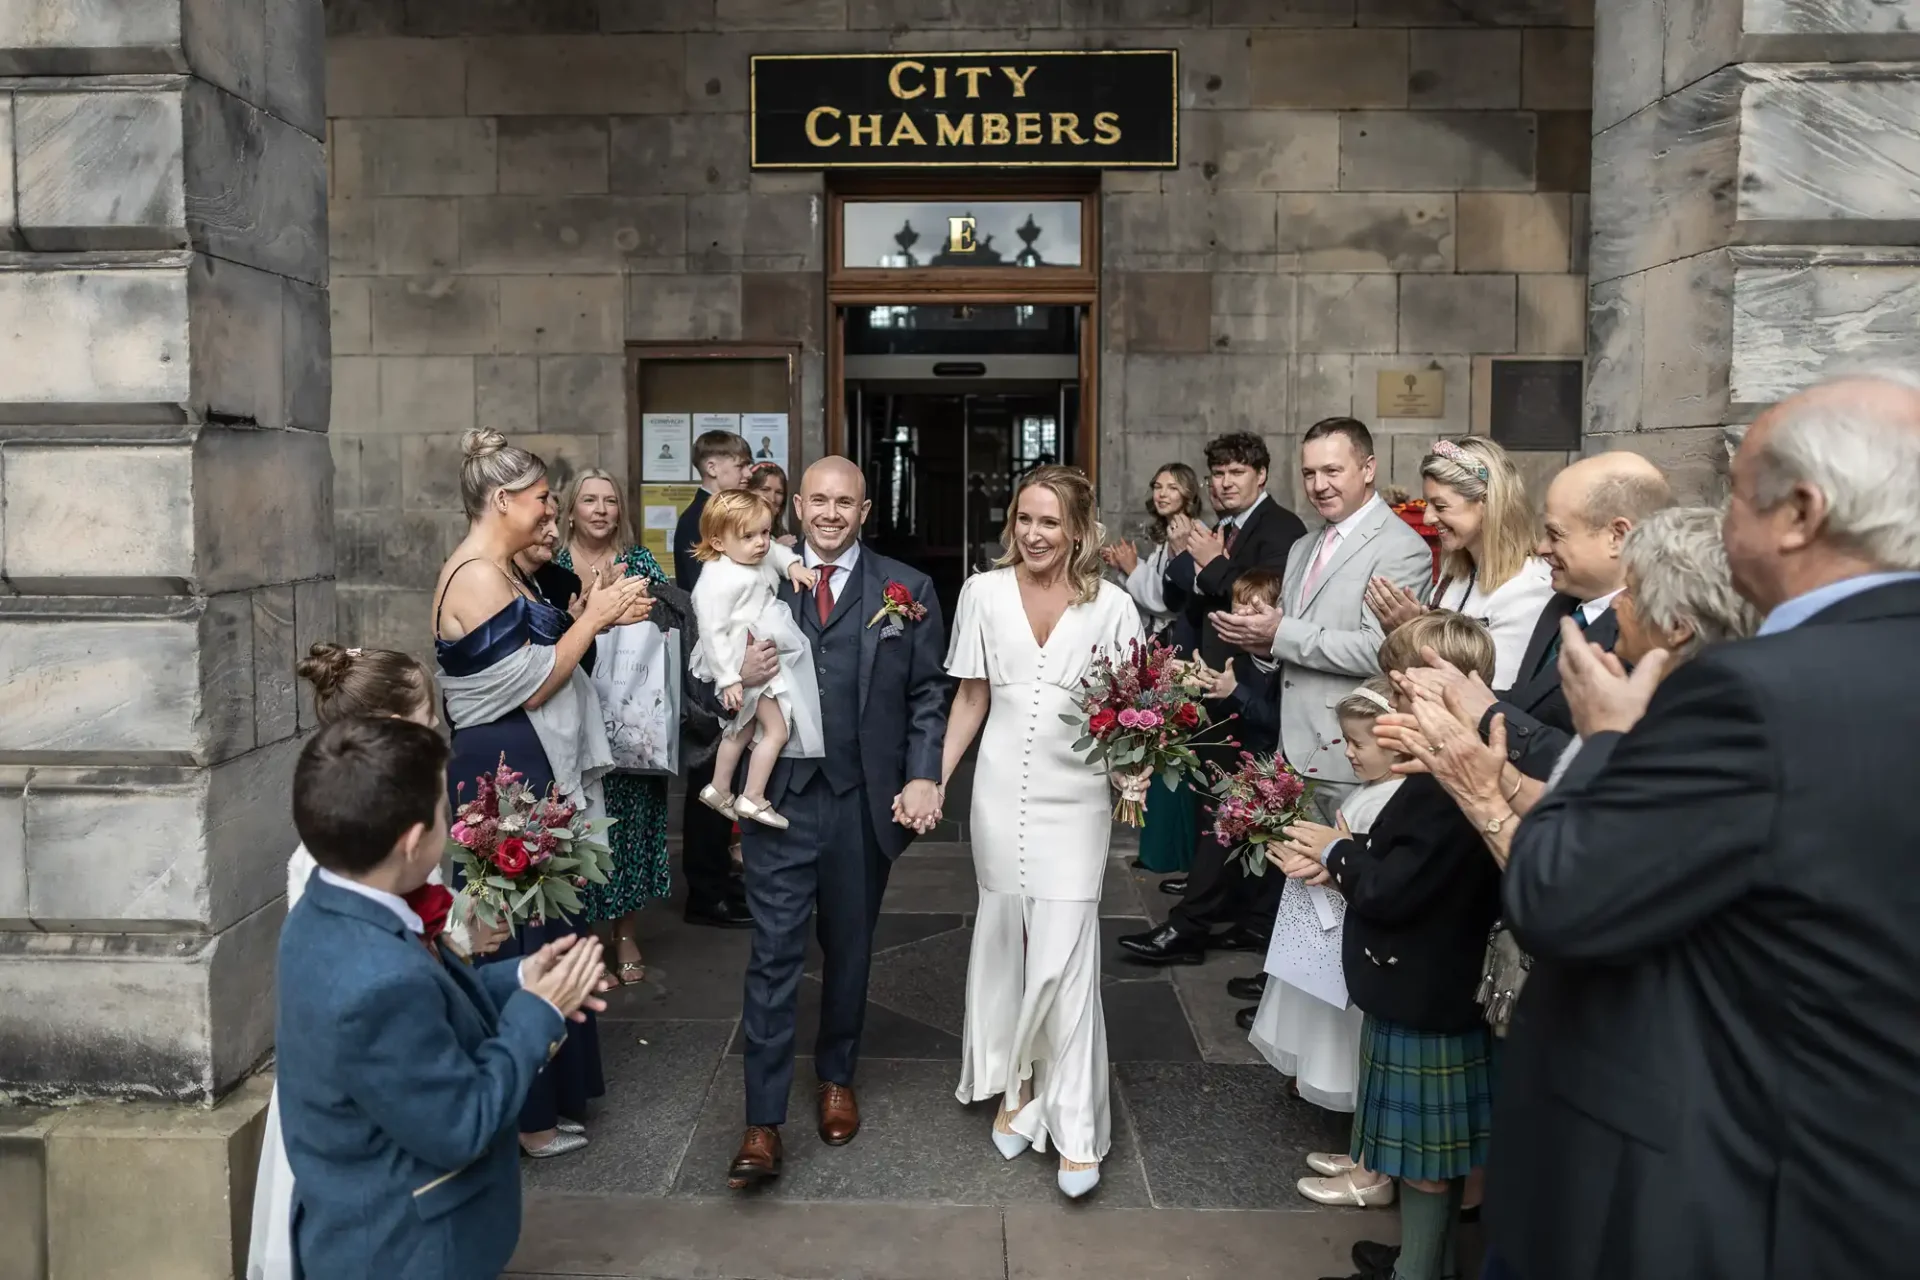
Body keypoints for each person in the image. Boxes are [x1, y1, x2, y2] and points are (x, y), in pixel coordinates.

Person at [1471, 373, 1920, 1280]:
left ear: (1799, 512)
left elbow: (1560, 895)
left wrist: (1604, 745)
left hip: (1736, 1177)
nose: (1717, 527)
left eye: (1733, 499)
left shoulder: (1757, 693)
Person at [274, 717, 609, 1280]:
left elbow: (426, 1009)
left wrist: (522, 978)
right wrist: (539, 1014)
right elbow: (461, 1124)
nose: (450, 819)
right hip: (404, 1250)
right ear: (411, 841)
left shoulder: (328, 903)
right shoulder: (376, 983)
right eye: (441, 809)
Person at [710, 457, 950, 1190]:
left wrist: (922, 771)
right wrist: (735, 687)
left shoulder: (906, 589)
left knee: (850, 948)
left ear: (865, 509)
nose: (831, 513)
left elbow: (928, 694)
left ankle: (837, 1074)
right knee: (774, 955)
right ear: (797, 506)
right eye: (818, 499)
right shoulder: (753, 570)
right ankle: (762, 1119)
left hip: (860, 800)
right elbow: (702, 680)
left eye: (845, 502)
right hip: (776, 798)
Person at [1123, 419, 1430, 966]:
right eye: (1310, 472)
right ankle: (1291, 1008)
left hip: (1350, 745)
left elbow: (1379, 651)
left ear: (1368, 468)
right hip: (1292, 737)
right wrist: (1259, 644)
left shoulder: (1400, 547)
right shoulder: (1307, 544)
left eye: (1333, 470)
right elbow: (1285, 642)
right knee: (1302, 894)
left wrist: (1277, 634)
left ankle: (1331, 1027)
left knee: (1342, 898)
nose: (1320, 484)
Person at [247, 644, 509, 1280]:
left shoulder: (383, 825)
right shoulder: (339, 861)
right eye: (426, 722)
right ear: (389, 728)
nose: (439, 732)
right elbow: (375, 967)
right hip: (361, 1101)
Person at [431, 429, 650, 1158]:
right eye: (542, 499)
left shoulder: (504, 568)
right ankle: (528, 1116)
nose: (549, 511)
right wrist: (593, 619)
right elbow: (534, 682)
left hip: (520, 761)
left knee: (550, 917)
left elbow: (540, 649)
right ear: (503, 500)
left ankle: (547, 1097)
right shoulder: (476, 576)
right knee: (523, 930)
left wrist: (595, 610)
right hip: (503, 767)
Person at [1279, 612, 1505, 1280]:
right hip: (1425, 980)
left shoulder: (1443, 781)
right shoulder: (1441, 763)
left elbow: (1396, 889)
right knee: (1421, 1159)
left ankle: (1419, 1271)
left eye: (1403, 689)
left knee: (1429, 1164)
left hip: (1429, 987)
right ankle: (1415, 1258)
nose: (1392, 699)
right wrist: (1342, 854)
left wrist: (1343, 854)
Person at [941, 465, 1144, 1200]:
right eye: (1024, 519)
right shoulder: (982, 593)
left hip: (1077, 799)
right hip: (998, 794)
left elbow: (1134, 709)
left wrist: (1137, 773)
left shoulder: (1115, 607)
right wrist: (934, 777)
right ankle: (1015, 1083)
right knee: (1004, 939)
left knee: (1066, 956)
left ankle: (1078, 1126)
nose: (1033, 534)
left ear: (1079, 530)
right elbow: (970, 696)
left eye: (1049, 522)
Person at [1407, 452, 1671, 781]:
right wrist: (1456, 694)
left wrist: (1489, 713)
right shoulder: (1562, 606)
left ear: (1617, 537)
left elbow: (1607, 764)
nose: (1543, 548)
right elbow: (1529, 704)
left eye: (1556, 534)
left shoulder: (1651, 637)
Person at [1247, 675, 1404, 1208]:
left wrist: (1327, 863)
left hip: (1371, 947)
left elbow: (1369, 874)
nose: (1348, 752)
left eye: (1359, 743)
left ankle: (1372, 1169)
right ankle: (1364, 1152)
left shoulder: (1393, 802)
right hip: (1350, 940)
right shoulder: (1372, 792)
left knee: (1368, 1054)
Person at [555, 469, 682, 984]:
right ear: (571, 509)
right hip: (572, 711)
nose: (602, 509)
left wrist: (617, 612)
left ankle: (625, 931)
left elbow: (659, 618)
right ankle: (583, 940)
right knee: (579, 825)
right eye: (590, 500)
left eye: (610, 501)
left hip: (631, 716)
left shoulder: (640, 561)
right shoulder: (554, 565)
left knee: (628, 827)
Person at [1364, 438, 1554, 688]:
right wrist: (1415, 628)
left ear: (1487, 503)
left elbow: (1489, 696)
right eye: (1427, 503)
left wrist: (1411, 633)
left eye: (1440, 506)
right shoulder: (1456, 574)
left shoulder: (1529, 588)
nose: (1428, 517)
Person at [688, 489, 824, 829]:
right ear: (718, 543)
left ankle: (719, 788)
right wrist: (728, 677)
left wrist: (792, 565)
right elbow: (712, 630)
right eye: (749, 536)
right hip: (740, 658)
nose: (761, 542)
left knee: (742, 728)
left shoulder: (754, 554)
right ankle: (753, 795)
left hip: (757, 644)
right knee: (777, 729)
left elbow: (776, 553)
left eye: (764, 532)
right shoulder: (717, 579)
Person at [674, 429, 756, 928]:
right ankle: (704, 894)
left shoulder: (713, 515)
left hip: (729, 662)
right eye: (740, 463)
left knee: (721, 781)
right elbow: (709, 602)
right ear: (712, 469)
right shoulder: (700, 521)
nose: (748, 471)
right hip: (716, 668)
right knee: (708, 781)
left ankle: (720, 882)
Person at [1162, 432, 1306, 668]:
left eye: (1237, 472)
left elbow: (1263, 603)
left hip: (1251, 674)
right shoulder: (1226, 526)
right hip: (1210, 669)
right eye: (1218, 474)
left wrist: (1212, 563)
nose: (1226, 483)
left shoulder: (1283, 526)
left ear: (1261, 475)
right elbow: (1194, 600)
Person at [1103, 461, 1206, 636]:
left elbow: (1171, 603)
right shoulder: (1169, 531)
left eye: (1173, 488)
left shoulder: (1193, 534)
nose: (1162, 494)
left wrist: (1133, 568)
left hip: (1180, 638)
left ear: (1188, 495)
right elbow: (1160, 579)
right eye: (1158, 487)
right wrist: (1124, 565)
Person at [747, 460, 800, 547]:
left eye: (779, 492)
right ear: (748, 491)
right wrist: (776, 548)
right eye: (765, 489)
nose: (772, 499)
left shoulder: (782, 535)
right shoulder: (736, 529)